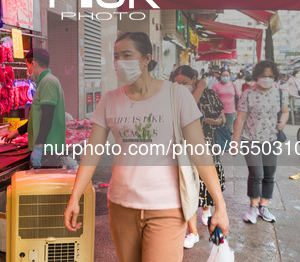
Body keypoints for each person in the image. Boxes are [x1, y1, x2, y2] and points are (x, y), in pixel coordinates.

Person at [63, 32, 229, 262]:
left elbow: (200, 152)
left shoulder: (177, 95)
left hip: (167, 207)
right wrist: (75, 198)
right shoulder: (109, 100)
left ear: (145, 59)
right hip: (121, 204)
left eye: (126, 55)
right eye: (116, 56)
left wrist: (219, 205)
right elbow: (92, 152)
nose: (119, 62)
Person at [173, 66, 226, 249]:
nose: (180, 86)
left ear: (194, 78)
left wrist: (217, 121)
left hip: (208, 143)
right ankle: (192, 231)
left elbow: (223, 117)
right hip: (186, 147)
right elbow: (186, 111)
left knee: (207, 182)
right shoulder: (176, 97)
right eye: (177, 83)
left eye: (184, 83)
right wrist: (199, 89)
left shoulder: (210, 95)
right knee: (189, 186)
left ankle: (206, 208)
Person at [232, 60, 289, 223]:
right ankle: (252, 208)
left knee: (269, 175)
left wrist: (283, 122)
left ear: (275, 77)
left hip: (271, 140)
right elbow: (240, 119)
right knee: (257, 174)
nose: (267, 78)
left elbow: (285, 111)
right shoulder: (248, 94)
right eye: (263, 75)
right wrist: (235, 142)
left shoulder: (279, 93)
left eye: (270, 76)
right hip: (250, 140)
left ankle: (263, 208)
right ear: (257, 75)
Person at [4, 48, 66, 168]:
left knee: (45, 186)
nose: (28, 70)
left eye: (28, 66)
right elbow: (38, 117)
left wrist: (38, 146)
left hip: (48, 149)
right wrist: (17, 132)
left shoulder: (48, 82)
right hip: (47, 147)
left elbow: (47, 117)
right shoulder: (45, 82)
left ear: (33, 64)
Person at [212, 69, 240, 139]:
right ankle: (221, 144)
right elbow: (212, 97)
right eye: (223, 75)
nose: (225, 77)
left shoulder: (233, 85)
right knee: (219, 128)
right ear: (220, 76)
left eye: (227, 75)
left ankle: (228, 145)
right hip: (219, 111)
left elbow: (238, 95)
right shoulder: (216, 85)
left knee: (229, 129)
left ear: (229, 76)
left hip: (231, 110)